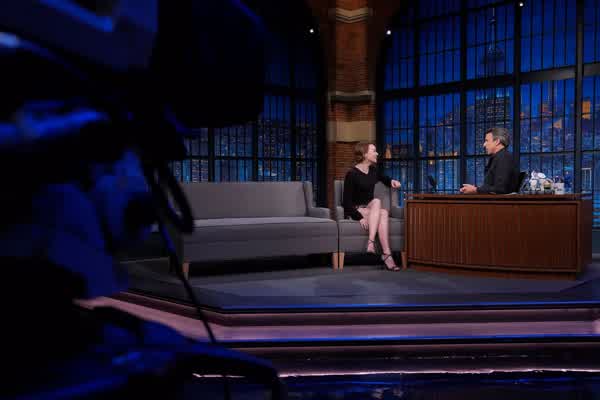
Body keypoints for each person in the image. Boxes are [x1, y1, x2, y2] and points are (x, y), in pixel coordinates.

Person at [343, 142, 402, 271]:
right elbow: (346, 203)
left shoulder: (373, 171)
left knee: (377, 203)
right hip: (356, 210)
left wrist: (392, 181)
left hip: (371, 208)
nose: (377, 153)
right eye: (373, 151)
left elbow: (385, 179)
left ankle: (373, 244)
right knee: (381, 209)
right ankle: (386, 255)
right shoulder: (351, 174)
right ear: (365, 154)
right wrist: (359, 217)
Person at [460, 127, 519, 195]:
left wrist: (476, 190)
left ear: (497, 141)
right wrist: (476, 189)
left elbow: (500, 189)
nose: (484, 145)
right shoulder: (498, 157)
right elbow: (492, 187)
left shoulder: (504, 158)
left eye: (487, 141)